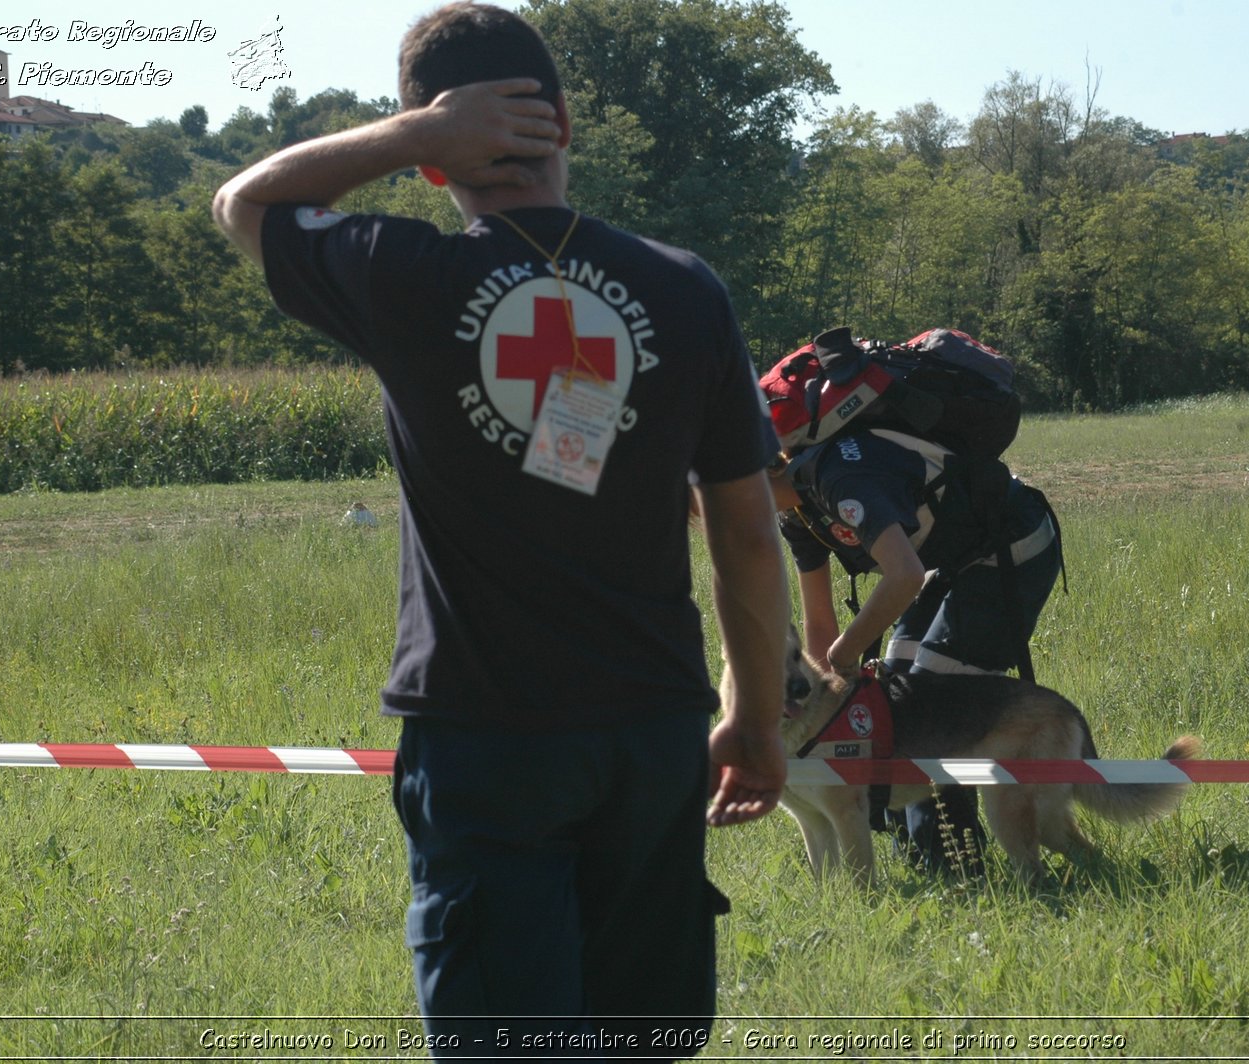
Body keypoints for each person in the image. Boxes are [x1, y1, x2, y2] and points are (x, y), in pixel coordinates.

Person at [212, 3, 791, 1055]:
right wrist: (754, 715)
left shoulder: (403, 275)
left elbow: (244, 201)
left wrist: (410, 137)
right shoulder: (684, 288)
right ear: (565, 125)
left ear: (436, 166)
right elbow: (748, 535)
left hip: (486, 737)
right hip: (651, 730)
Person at [765, 424, 1062, 875]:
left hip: (1011, 547)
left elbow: (902, 577)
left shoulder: (838, 479)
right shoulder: (796, 515)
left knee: (925, 692)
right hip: (946, 563)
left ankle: (954, 864)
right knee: (890, 692)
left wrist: (846, 656)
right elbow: (820, 626)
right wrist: (830, 710)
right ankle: (922, 854)